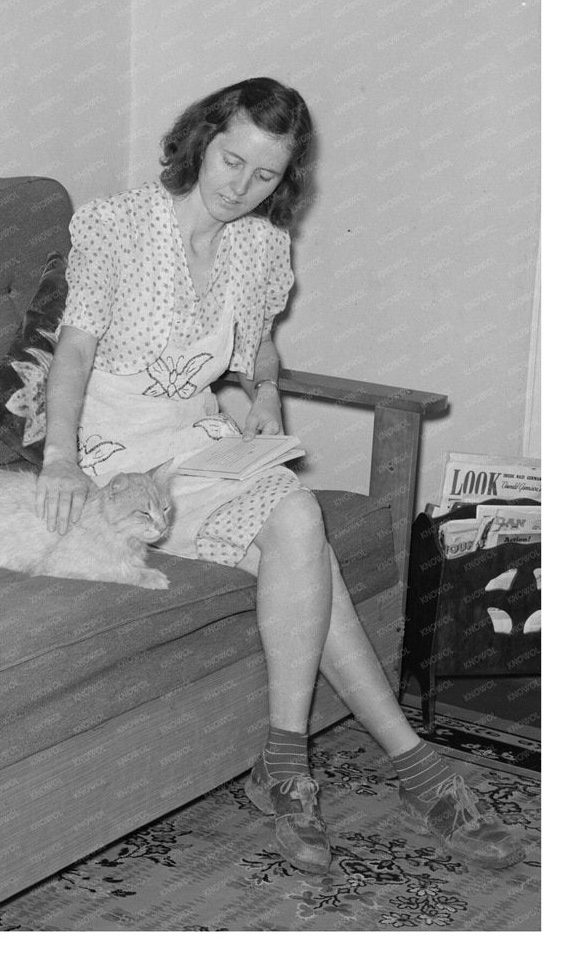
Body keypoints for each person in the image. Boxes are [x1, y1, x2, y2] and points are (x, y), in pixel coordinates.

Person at [34, 77, 523, 873]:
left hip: (200, 443)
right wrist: (58, 457)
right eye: (231, 161)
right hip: (118, 461)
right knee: (304, 537)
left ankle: (290, 762)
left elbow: (257, 350)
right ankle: (406, 764)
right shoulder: (115, 224)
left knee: (297, 518)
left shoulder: (260, 247)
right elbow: (75, 351)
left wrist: (263, 396)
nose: (240, 186)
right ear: (202, 140)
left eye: (264, 175)